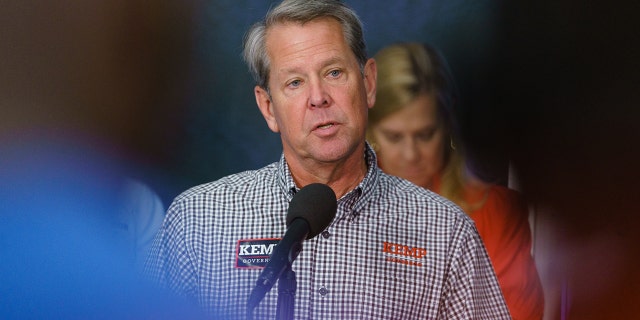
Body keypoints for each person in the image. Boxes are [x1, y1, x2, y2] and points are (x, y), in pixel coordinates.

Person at [144, 1, 510, 319]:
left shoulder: (445, 232)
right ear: (268, 107)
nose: (318, 98)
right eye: (295, 83)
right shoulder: (197, 221)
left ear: (368, 84)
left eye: (334, 73)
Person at [367, 42, 544, 319]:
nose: (411, 154)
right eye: (395, 137)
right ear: (370, 132)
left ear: (447, 123)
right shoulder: (336, 206)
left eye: (425, 134)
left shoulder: (496, 214)